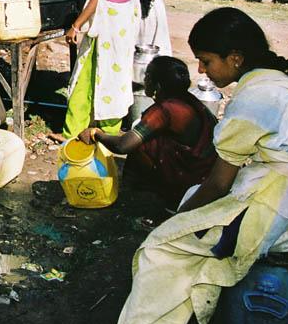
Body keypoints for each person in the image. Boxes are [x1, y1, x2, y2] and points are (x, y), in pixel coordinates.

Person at [73, 7, 288, 324]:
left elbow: (217, 185)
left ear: (236, 58)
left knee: (162, 249)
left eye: (207, 61)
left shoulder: (256, 100)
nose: (202, 71)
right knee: (190, 224)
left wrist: (176, 222)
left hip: (287, 209)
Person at [79, 56, 217, 210]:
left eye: (147, 76)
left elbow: (123, 146)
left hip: (191, 177)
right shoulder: (188, 99)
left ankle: (158, 195)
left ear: (157, 84)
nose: (144, 80)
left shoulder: (165, 110)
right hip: (207, 172)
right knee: (144, 133)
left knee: (141, 142)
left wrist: (96, 133)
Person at [63, 0, 148, 139]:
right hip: (124, 22)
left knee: (86, 74)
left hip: (107, 22)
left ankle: (74, 130)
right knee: (115, 77)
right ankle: (110, 130)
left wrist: (77, 25)